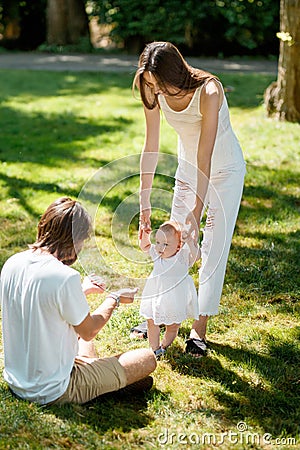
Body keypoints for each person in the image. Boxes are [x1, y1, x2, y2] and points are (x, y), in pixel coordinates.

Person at [131, 41, 246, 356]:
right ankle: (159, 315)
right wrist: (144, 205)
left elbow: (205, 153)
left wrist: (195, 214)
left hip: (223, 171)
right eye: (150, 86)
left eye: (158, 84)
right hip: (188, 168)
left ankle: (199, 327)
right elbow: (150, 146)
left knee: (210, 246)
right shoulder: (153, 91)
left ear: (173, 73)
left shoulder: (209, 91)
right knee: (172, 247)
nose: (154, 92)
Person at [0, 197, 156, 405]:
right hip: (53, 389)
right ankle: (103, 384)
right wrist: (114, 298)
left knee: (87, 347)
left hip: (18, 380)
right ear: (76, 238)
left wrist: (82, 291)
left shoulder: (12, 263)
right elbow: (88, 330)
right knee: (147, 358)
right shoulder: (64, 276)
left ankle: (102, 377)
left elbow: (40, 304)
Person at [139, 221, 200, 358]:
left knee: (173, 326)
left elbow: (197, 256)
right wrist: (145, 235)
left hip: (175, 300)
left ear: (178, 246)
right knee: (152, 321)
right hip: (157, 295)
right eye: (158, 242)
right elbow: (144, 246)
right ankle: (155, 349)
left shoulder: (182, 257)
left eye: (166, 244)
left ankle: (164, 346)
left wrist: (190, 242)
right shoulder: (156, 254)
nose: (160, 247)